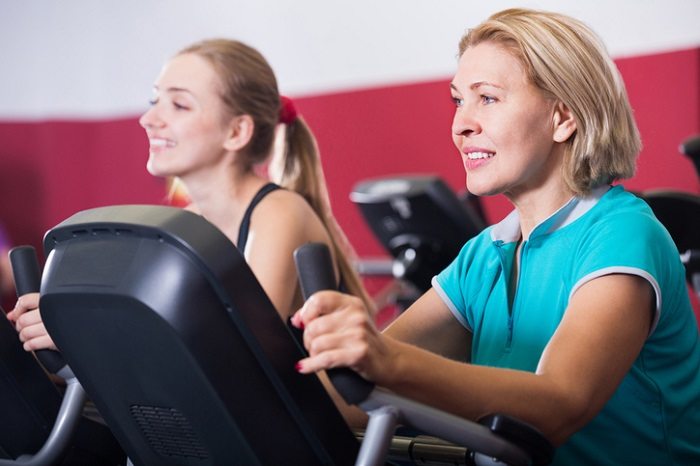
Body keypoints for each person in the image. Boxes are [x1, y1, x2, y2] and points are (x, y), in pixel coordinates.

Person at [292, 8, 700, 465]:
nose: (460, 124)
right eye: (457, 101)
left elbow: (559, 404)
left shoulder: (622, 233)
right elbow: (351, 400)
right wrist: (339, 354)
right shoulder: (484, 256)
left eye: (486, 98)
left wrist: (385, 360)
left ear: (563, 117)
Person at [8, 38, 373, 354]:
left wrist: (83, 335)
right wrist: (57, 335)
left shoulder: (278, 212)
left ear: (237, 131)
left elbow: (238, 349)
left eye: (179, 105)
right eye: (154, 101)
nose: (148, 119)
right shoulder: (185, 224)